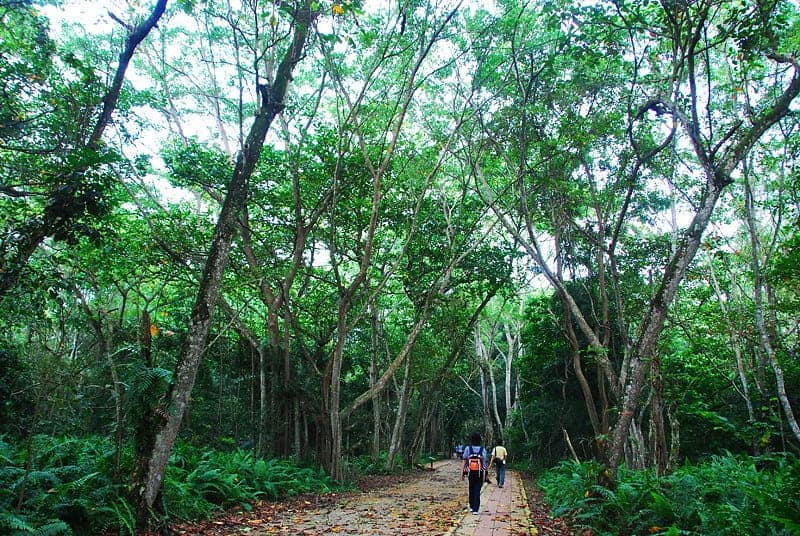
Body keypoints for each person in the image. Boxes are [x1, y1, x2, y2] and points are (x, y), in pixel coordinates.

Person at [461, 432, 487, 514]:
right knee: (477, 489)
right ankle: (476, 509)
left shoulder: (468, 449)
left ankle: (472, 506)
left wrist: (462, 472)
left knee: (471, 488)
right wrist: (486, 473)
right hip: (480, 472)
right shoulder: (483, 449)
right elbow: (484, 461)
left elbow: (465, 460)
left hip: (470, 472)